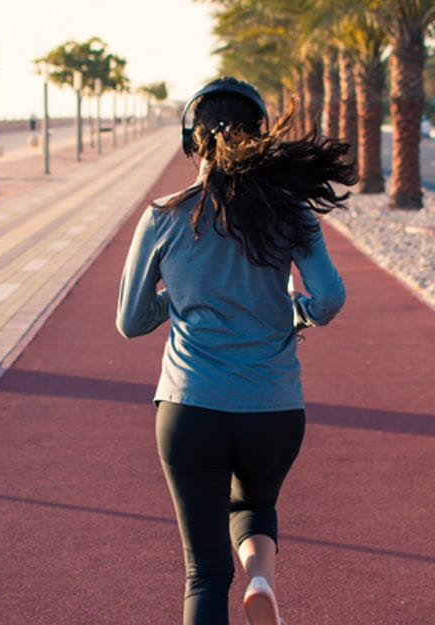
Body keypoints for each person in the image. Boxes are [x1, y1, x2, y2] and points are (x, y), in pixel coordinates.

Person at [116, 77, 357, 625]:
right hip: (274, 409)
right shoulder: (291, 212)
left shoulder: (164, 214)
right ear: (260, 136)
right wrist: (295, 310)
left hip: (190, 408)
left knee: (204, 573)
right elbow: (329, 298)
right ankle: (261, 580)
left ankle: (248, 585)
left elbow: (130, 320)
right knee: (253, 504)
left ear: (191, 141)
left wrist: (182, 298)